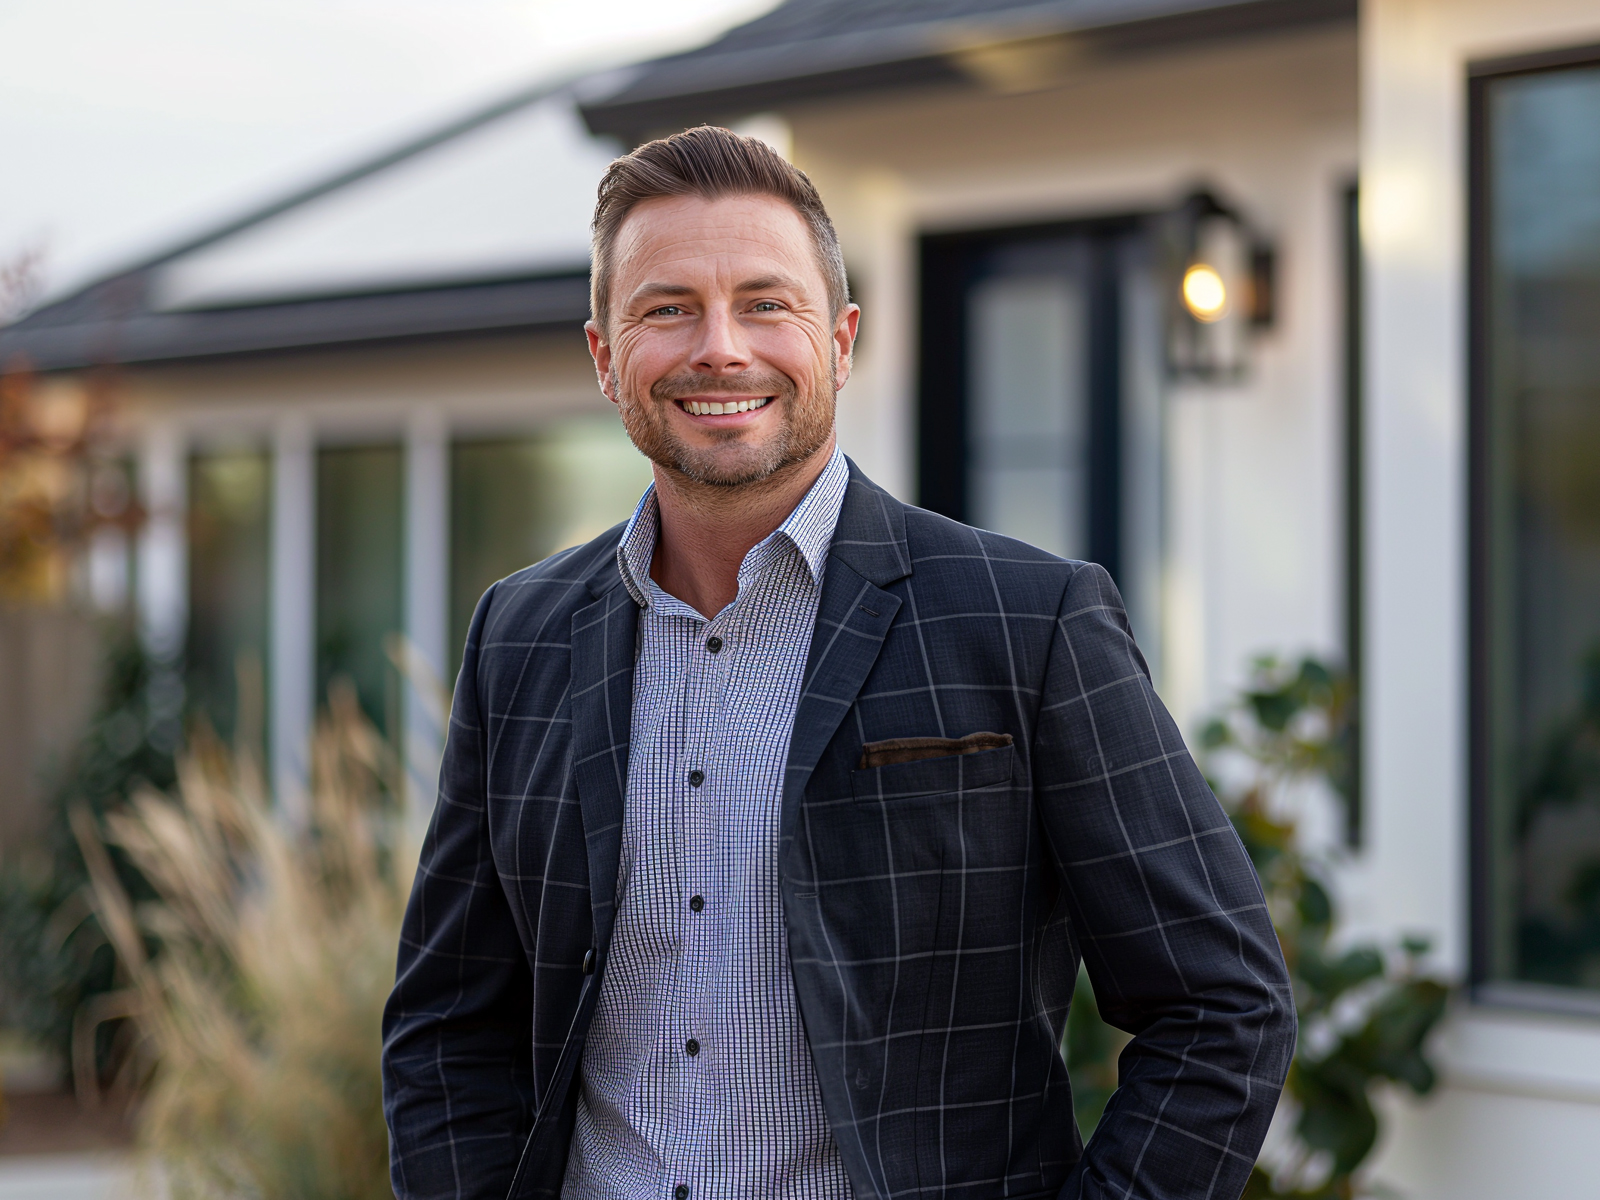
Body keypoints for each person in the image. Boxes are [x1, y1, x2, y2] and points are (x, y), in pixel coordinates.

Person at [382, 125, 1295, 1200]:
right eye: (667, 308)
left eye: (766, 303)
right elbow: (447, 1023)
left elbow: (1222, 1003)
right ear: (602, 355)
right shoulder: (521, 635)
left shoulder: (1025, 621)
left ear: (842, 340)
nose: (720, 347)